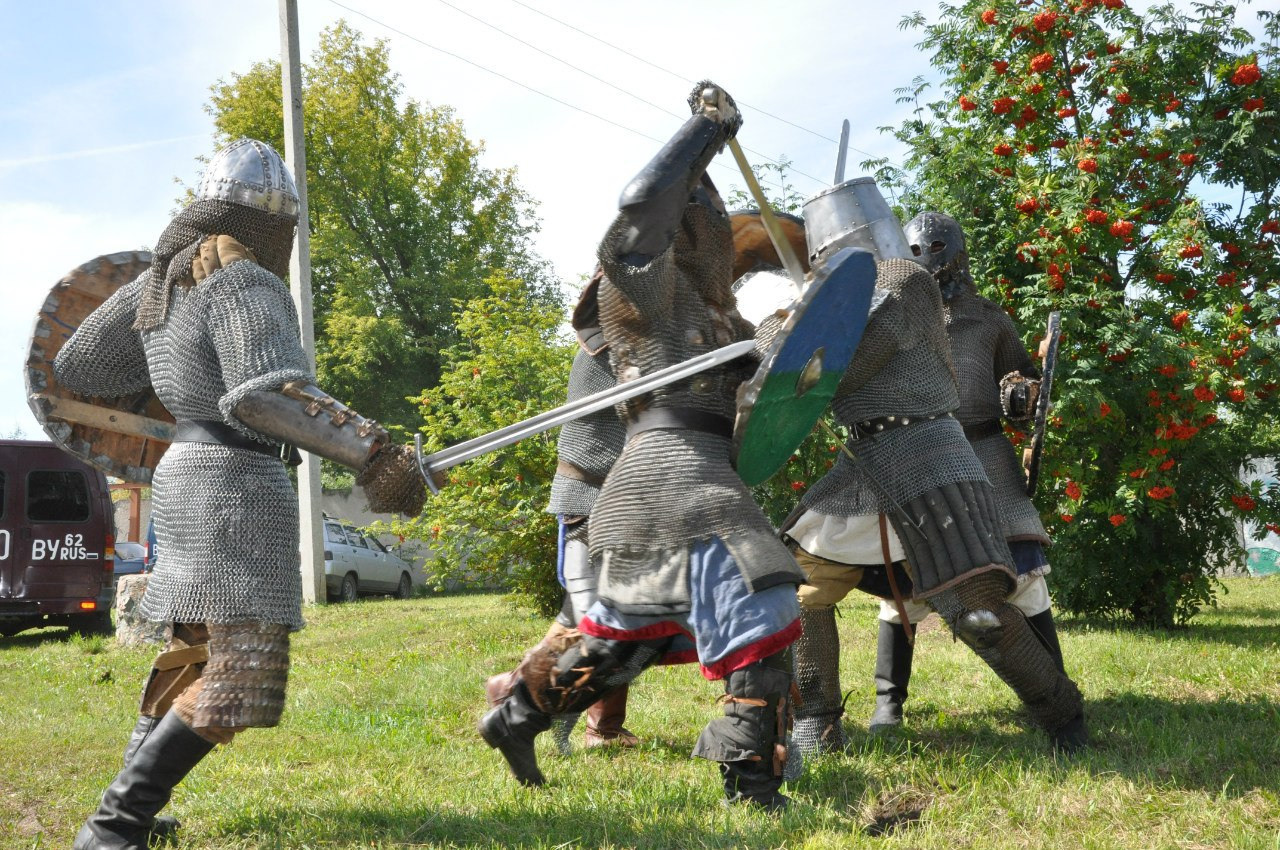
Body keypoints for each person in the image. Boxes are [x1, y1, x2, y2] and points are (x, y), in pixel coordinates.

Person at [56, 138, 425, 850]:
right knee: (242, 673)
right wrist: (373, 454)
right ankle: (112, 829)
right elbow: (265, 396)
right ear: (277, 222)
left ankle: (133, 818)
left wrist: (175, 374)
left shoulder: (160, 284)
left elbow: (78, 366)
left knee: (194, 655)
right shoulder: (245, 279)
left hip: (183, 475)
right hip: (236, 484)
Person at [478, 82, 805, 810]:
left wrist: (799, 333)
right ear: (687, 223)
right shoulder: (640, 292)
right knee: (766, 599)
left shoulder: (723, 319)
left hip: (692, 480)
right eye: (705, 218)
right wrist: (704, 133)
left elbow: (775, 392)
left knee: (621, 646)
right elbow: (638, 209)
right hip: (668, 472)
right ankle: (751, 783)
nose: (718, 233)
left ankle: (515, 718)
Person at [784, 181, 1087, 757]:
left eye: (831, 255)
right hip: (864, 465)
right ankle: (820, 720)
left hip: (935, 459)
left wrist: (783, 328)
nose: (825, 267)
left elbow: (836, 370)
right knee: (796, 589)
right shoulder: (855, 303)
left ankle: (1061, 713)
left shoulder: (905, 286)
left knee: (981, 611)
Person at [858, 211, 1066, 731]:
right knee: (903, 587)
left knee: (1025, 578)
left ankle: (1055, 690)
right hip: (919, 457)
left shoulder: (988, 318)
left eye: (933, 248)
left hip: (985, 456)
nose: (925, 260)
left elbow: (1018, 385)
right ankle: (889, 702)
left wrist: (1021, 392)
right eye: (915, 251)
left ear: (954, 251)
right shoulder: (891, 318)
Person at [484, 268, 639, 751]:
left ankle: (591, 722)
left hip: (613, 496)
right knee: (595, 620)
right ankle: (521, 697)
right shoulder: (608, 348)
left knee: (606, 615)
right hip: (592, 497)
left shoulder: (627, 344)